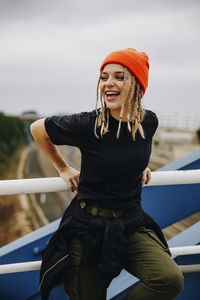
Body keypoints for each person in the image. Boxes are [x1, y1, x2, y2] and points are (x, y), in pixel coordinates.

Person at [30, 48, 184, 300]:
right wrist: (62, 167)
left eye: (119, 77)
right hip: (87, 228)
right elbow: (37, 129)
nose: (108, 84)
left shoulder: (149, 122)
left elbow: (128, 150)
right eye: (103, 77)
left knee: (168, 279)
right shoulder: (88, 124)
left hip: (129, 224)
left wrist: (137, 168)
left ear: (137, 84)